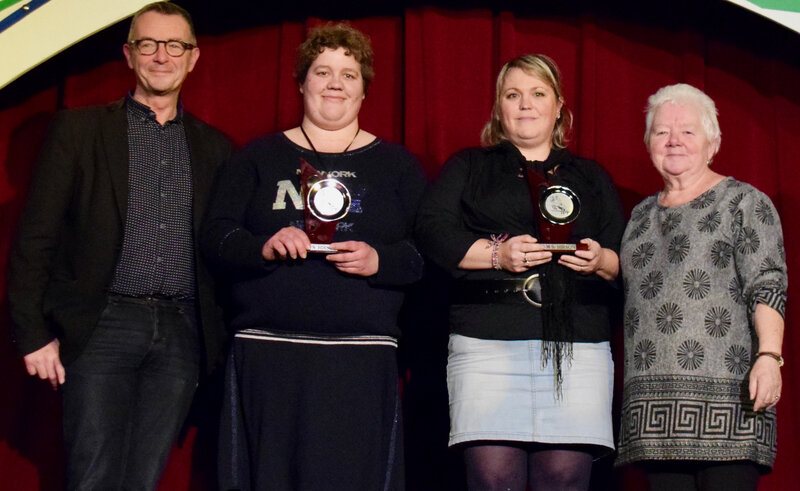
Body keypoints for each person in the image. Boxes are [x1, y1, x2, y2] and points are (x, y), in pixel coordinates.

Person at [6, 2, 231, 489]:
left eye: (175, 45)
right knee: (92, 478)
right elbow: (35, 238)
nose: (161, 56)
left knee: (142, 481)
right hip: (102, 324)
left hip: (180, 333)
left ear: (193, 58)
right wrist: (33, 333)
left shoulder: (216, 148)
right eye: (148, 44)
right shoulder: (79, 131)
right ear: (128, 54)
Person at [201, 23, 426, 491]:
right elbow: (216, 238)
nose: (335, 83)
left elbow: (424, 256)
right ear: (301, 82)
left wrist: (379, 260)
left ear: (365, 89)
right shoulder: (256, 157)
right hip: (268, 353)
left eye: (348, 73)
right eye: (322, 71)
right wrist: (263, 246)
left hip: (360, 358)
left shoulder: (398, 166)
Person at [415, 54, 624, 490]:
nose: (525, 104)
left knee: (563, 478)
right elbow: (432, 232)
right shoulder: (469, 167)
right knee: (494, 479)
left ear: (559, 106)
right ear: (498, 108)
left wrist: (601, 260)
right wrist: (497, 255)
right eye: (513, 95)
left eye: (537, 93)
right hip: (487, 345)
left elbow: (626, 255)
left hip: (577, 348)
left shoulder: (591, 176)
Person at [616, 83, 786, 490]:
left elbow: (767, 283)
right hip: (655, 417)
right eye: (661, 132)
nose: (673, 140)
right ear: (648, 143)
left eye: (688, 131)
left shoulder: (745, 202)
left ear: (713, 143)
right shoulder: (639, 216)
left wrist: (770, 356)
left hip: (730, 407)